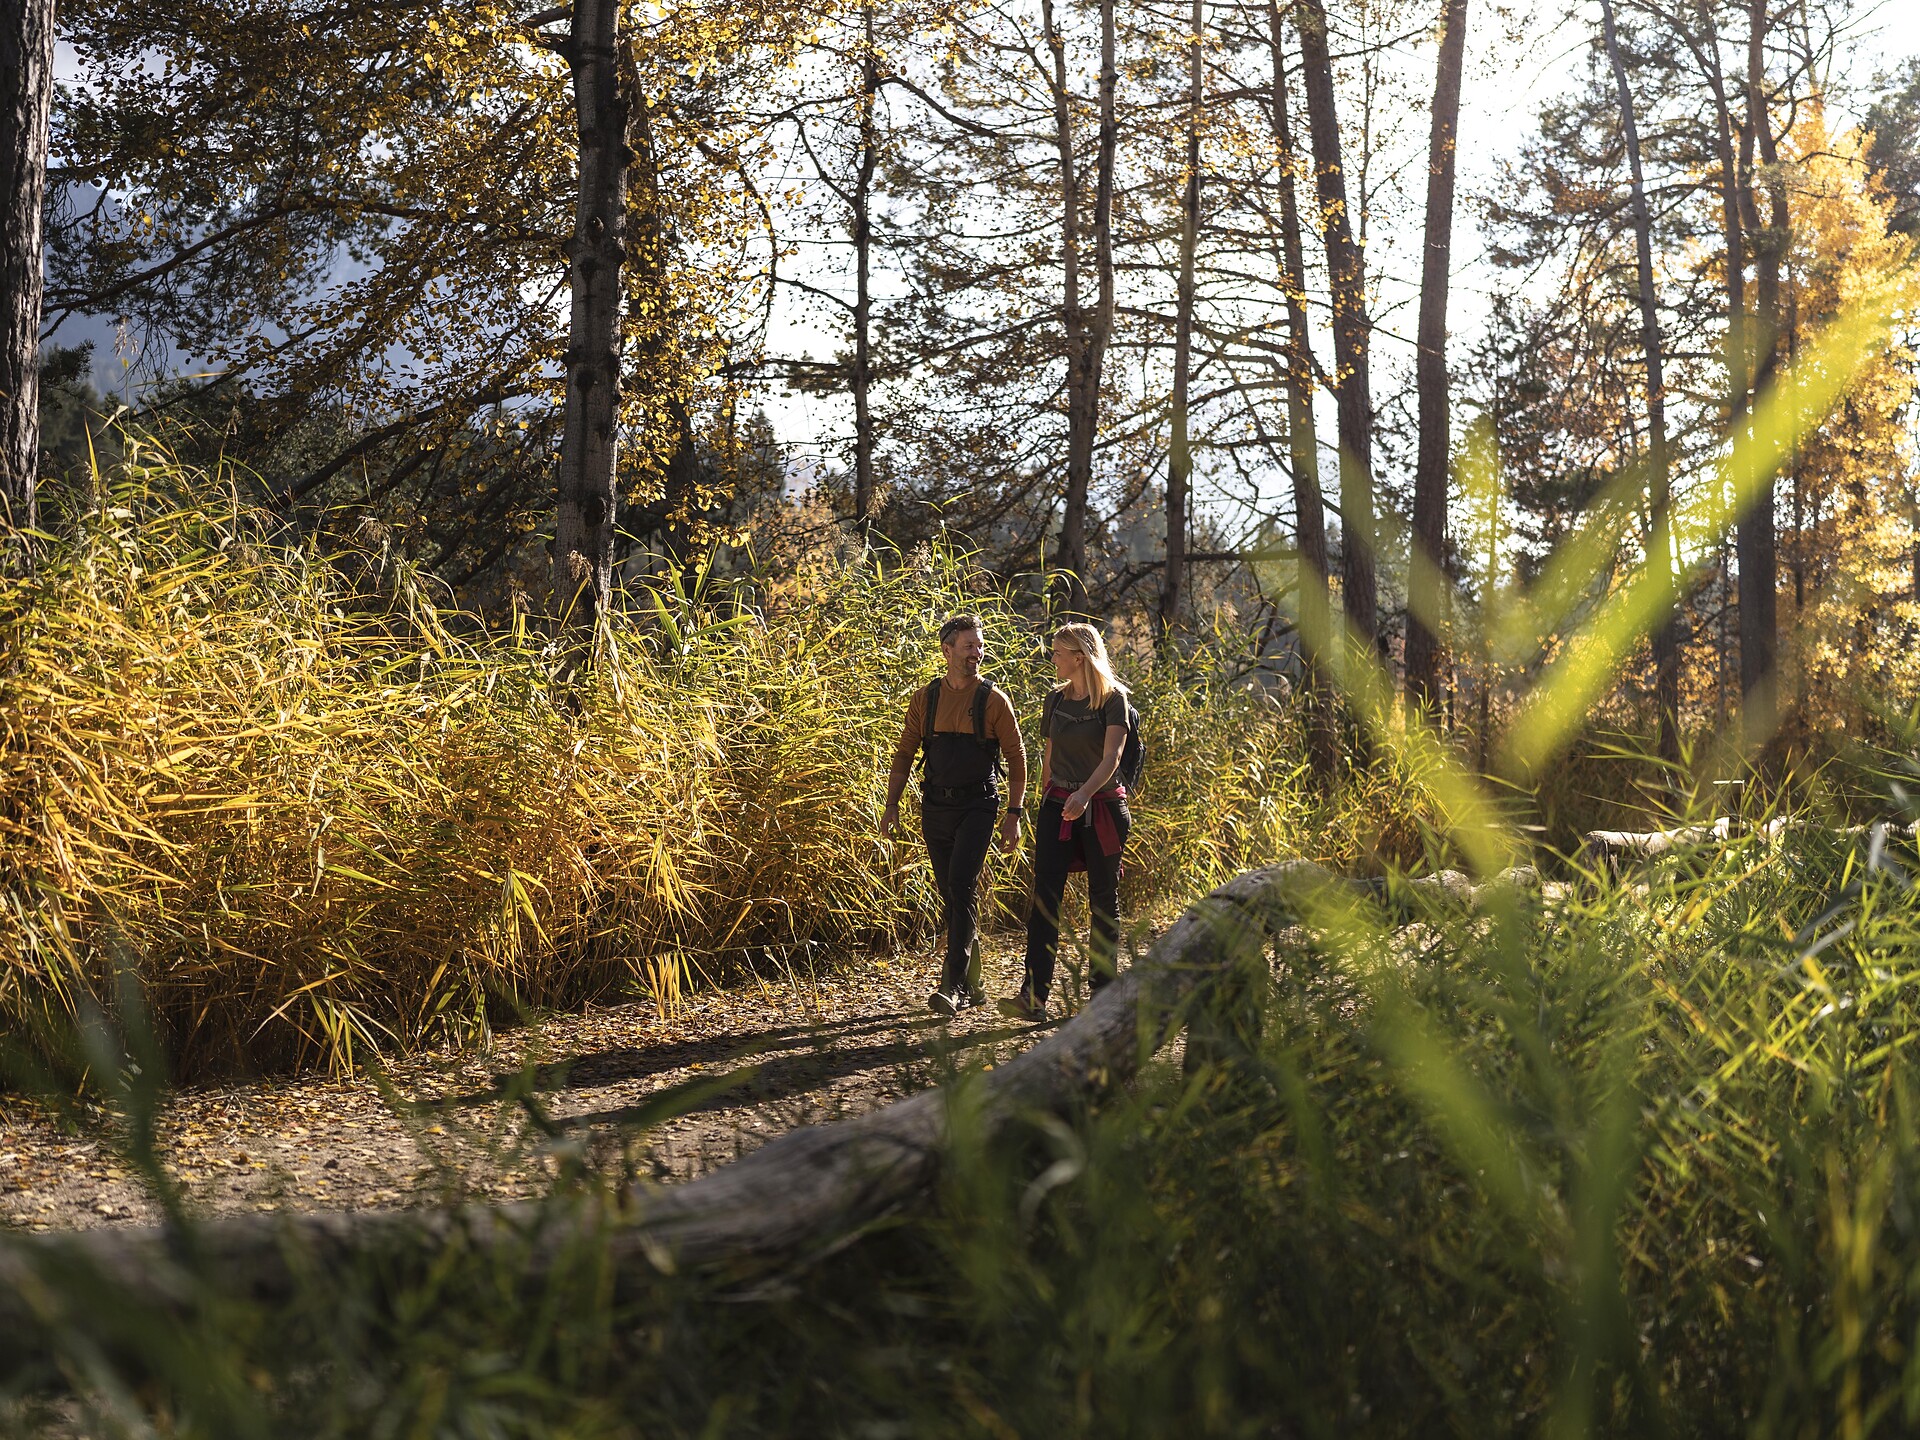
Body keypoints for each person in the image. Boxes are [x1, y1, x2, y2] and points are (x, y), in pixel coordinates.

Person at [882, 614, 1028, 1016]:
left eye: (980, 646)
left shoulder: (994, 700)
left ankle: (954, 987)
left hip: (979, 806)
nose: (977, 654)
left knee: (961, 887)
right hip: (935, 807)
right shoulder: (925, 698)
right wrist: (892, 805)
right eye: (969, 647)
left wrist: (1014, 813)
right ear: (947, 651)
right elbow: (905, 753)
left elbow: (1017, 758)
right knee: (952, 893)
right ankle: (976, 983)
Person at [1001, 622, 1132, 1021]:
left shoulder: (1114, 700)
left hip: (1104, 808)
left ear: (1079, 657)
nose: (1052, 658)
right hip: (1058, 806)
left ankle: (1103, 996)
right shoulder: (1054, 700)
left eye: (1058, 652)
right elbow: (1049, 756)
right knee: (1045, 900)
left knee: (1103, 902)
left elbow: (1111, 759)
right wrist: (1047, 801)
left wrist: (1084, 794)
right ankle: (1033, 995)